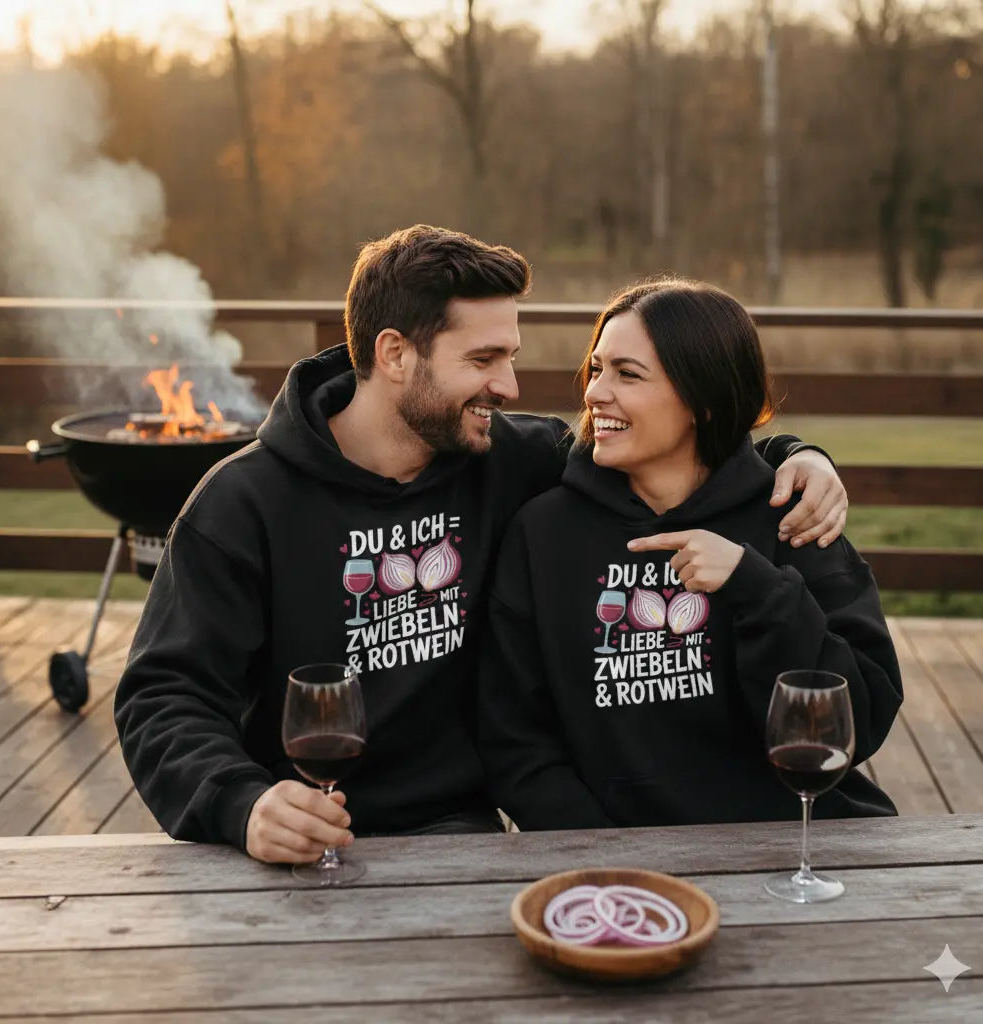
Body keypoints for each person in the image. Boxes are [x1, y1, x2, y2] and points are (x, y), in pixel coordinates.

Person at [115, 227, 849, 865]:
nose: (510, 384)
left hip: (457, 831)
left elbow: (673, 447)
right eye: (483, 359)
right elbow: (163, 695)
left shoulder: (512, 460)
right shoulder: (242, 505)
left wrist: (796, 455)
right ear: (396, 354)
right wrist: (240, 804)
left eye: (511, 356)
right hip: (298, 832)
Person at [478, 277, 902, 831]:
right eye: (598, 367)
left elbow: (860, 720)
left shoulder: (792, 513)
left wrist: (759, 589)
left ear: (702, 399)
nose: (596, 392)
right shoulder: (543, 532)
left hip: (798, 842)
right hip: (611, 861)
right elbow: (515, 739)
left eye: (628, 374)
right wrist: (602, 852)